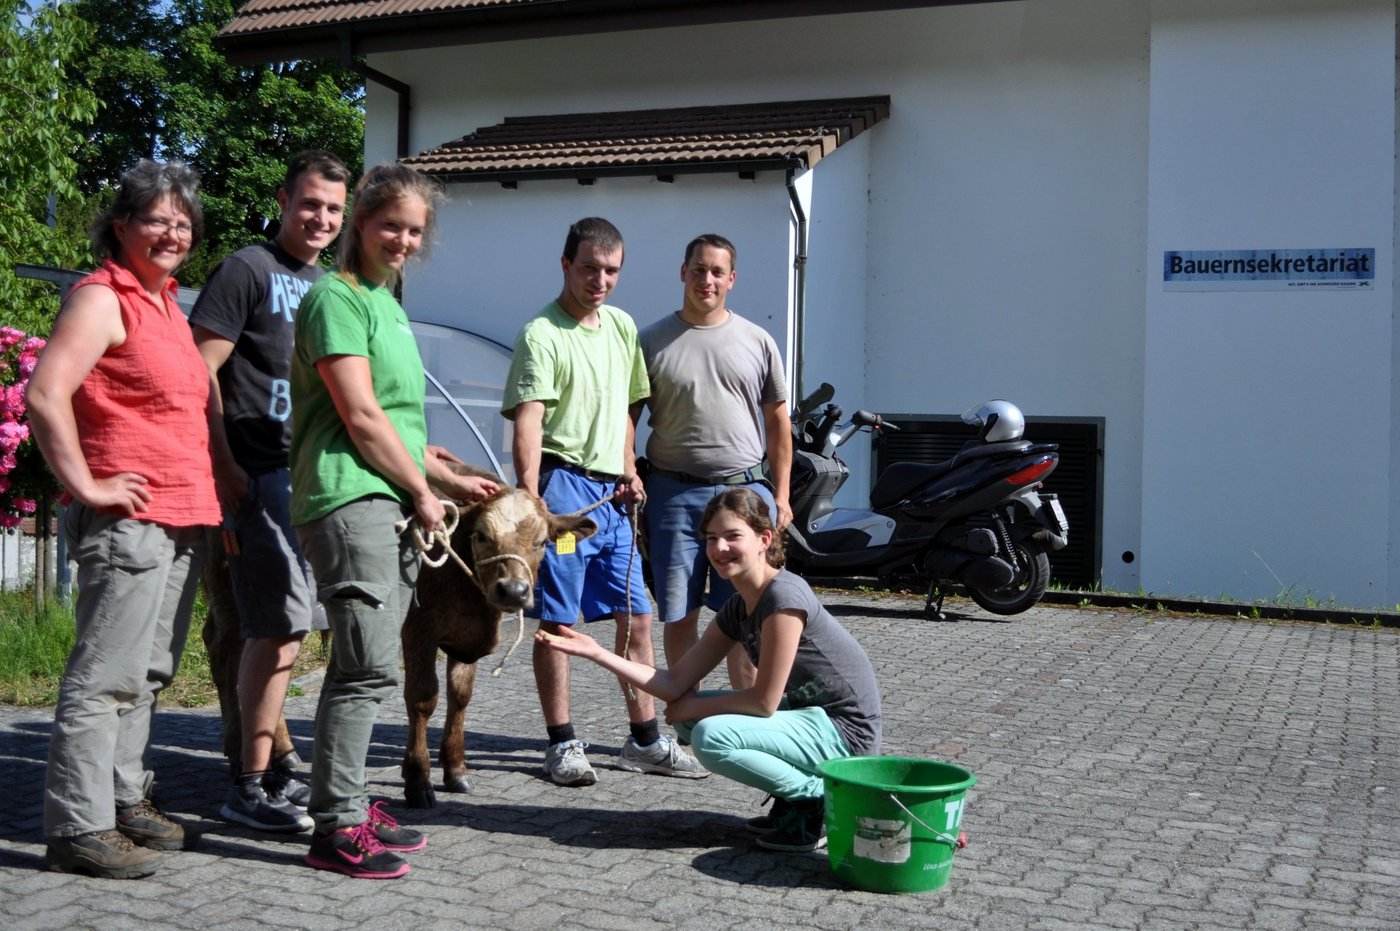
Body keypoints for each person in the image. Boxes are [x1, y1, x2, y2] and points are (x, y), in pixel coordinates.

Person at [290, 163, 499, 879]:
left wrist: (451, 478)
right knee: (368, 666)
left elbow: (402, 429)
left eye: (414, 230)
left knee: (361, 664)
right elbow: (360, 416)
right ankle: (336, 826)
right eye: (390, 226)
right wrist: (422, 491)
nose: (403, 239)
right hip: (351, 498)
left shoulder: (387, 305)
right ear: (360, 224)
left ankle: (341, 797)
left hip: (387, 496)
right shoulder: (337, 301)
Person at [27, 160, 222, 879]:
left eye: (183, 221)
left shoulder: (165, 303)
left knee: (145, 674)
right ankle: (78, 825)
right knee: (103, 676)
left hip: (181, 515)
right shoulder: (100, 297)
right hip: (130, 520)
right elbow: (46, 394)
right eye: (157, 219)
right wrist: (85, 481)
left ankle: (122, 798)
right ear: (121, 226)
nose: (173, 231)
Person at [537, 487, 881, 851]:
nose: (719, 549)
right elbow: (674, 682)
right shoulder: (739, 606)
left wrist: (694, 706)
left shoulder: (784, 598)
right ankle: (800, 799)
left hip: (846, 735)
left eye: (733, 536)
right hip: (810, 719)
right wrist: (597, 652)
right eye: (712, 538)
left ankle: (816, 801)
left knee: (710, 735)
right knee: (689, 721)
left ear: (764, 539)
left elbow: (764, 702)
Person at [502, 217, 706, 787]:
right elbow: (530, 418)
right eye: (589, 267)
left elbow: (623, 409)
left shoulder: (620, 327)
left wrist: (628, 467)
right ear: (566, 265)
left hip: (613, 497)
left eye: (611, 270)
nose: (600, 280)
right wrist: (530, 495)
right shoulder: (541, 333)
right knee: (559, 624)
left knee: (637, 615)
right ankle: (562, 744)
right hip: (563, 492)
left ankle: (644, 740)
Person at [188, 151, 351, 834]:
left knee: (288, 630)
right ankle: (250, 782)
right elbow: (199, 373)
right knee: (274, 626)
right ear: (283, 199)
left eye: (334, 210)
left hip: (307, 478)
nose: (320, 218)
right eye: (310, 203)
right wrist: (224, 467)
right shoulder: (246, 269)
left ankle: (272, 769)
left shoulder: (328, 285)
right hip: (254, 473)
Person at [635, 233, 792, 688]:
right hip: (674, 493)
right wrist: (630, 472)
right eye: (699, 269)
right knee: (679, 612)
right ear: (683, 273)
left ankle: (747, 717)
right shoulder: (651, 341)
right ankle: (685, 714)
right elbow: (628, 418)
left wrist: (780, 495)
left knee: (748, 613)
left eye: (717, 272)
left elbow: (779, 425)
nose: (707, 279)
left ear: (732, 279)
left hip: (744, 493)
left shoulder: (757, 341)